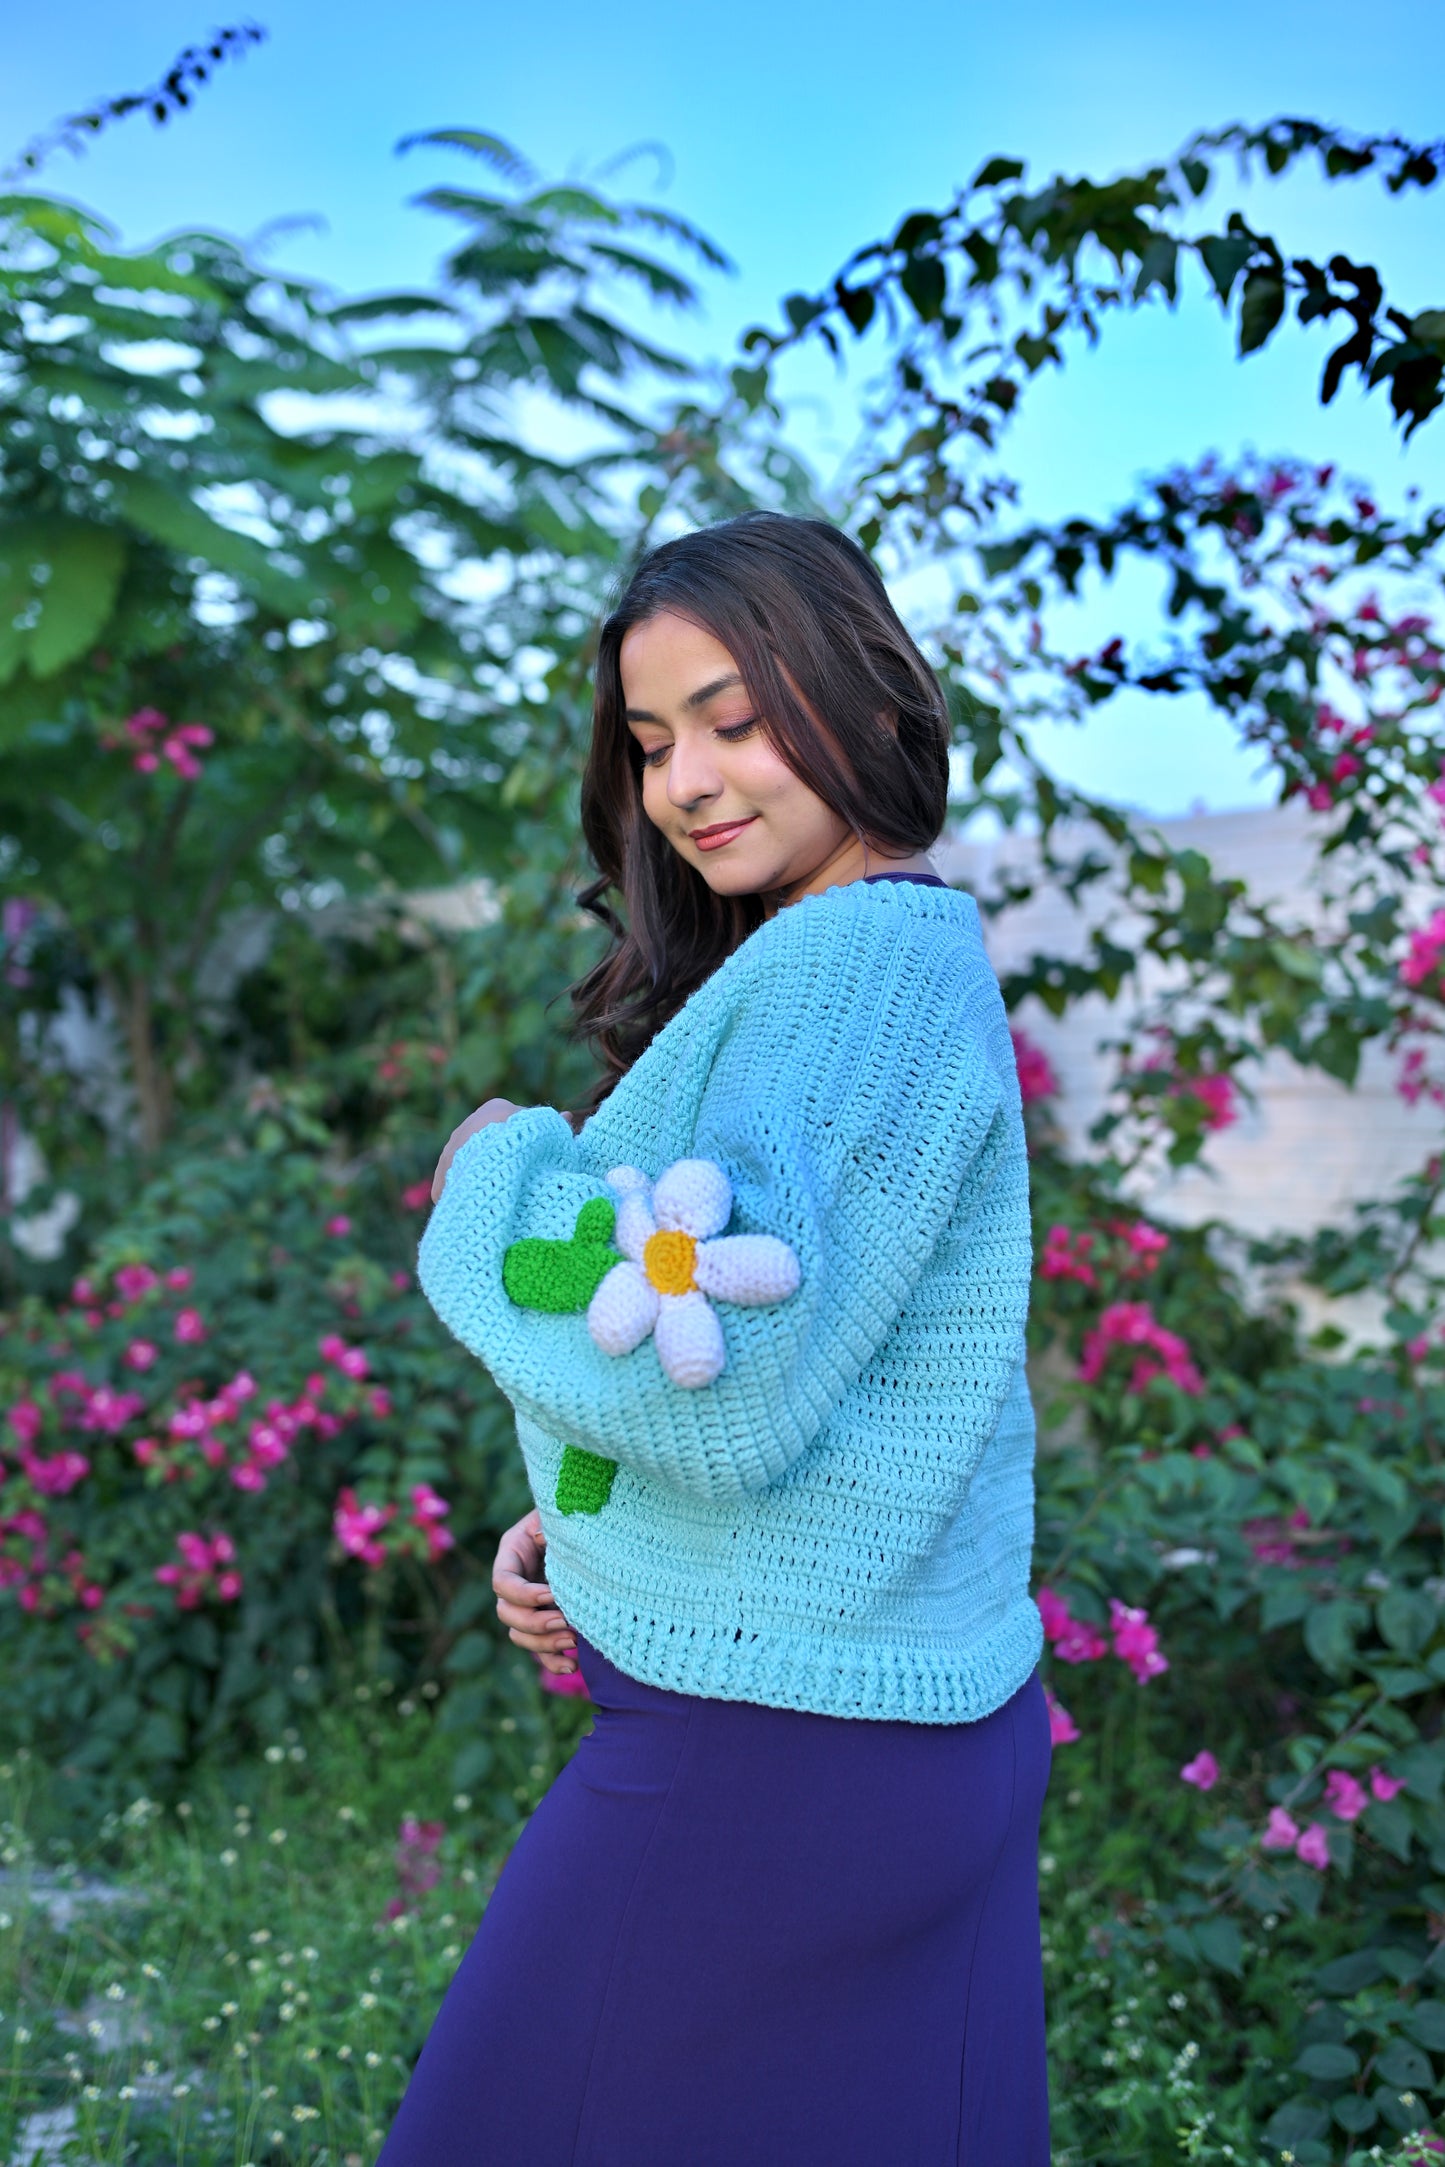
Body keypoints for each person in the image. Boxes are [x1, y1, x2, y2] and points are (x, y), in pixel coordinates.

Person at [377, 511, 1050, 2166]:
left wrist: (490, 1172)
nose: (687, 780)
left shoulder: (855, 967)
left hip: (769, 1755)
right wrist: (587, 1542)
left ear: (873, 705)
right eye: (655, 739)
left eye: (737, 721)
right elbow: (816, 1369)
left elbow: (722, 1373)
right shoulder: (873, 962)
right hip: (879, 1728)